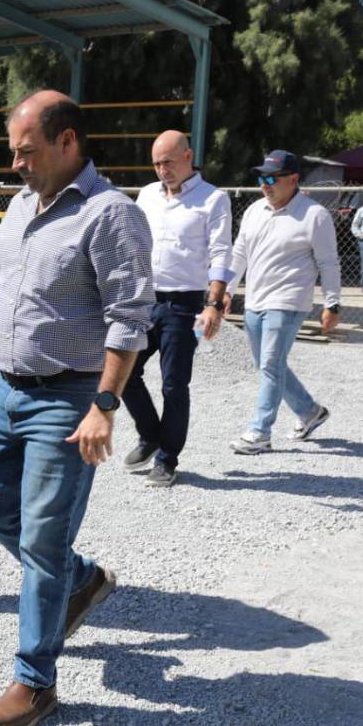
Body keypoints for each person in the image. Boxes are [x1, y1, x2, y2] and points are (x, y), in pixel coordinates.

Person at [0, 90, 153, 726]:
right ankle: (81, 580)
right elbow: (1, 294)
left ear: (68, 143)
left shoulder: (109, 215)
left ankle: (35, 682)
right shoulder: (17, 207)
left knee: (43, 539)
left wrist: (105, 404)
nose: (16, 163)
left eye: (27, 151)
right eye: (13, 151)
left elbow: (130, 318)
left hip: (68, 398)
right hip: (6, 389)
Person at [121, 130, 233, 488]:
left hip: (184, 305)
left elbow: (220, 253)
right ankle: (150, 434)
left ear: (188, 156)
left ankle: (167, 459)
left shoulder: (213, 199)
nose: (161, 170)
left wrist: (214, 304)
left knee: (174, 385)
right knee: (123, 371)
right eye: (156, 163)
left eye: (167, 162)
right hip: (144, 298)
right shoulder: (148, 196)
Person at [225, 150, 340, 455]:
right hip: (254, 300)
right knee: (268, 365)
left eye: (272, 178)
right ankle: (310, 411)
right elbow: (239, 254)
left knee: (271, 366)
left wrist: (333, 303)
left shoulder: (315, 215)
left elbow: (329, 263)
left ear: (293, 179)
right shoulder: (253, 211)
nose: (265, 184)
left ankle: (260, 431)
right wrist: (226, 290)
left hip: (289, 302)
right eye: (261, 177)